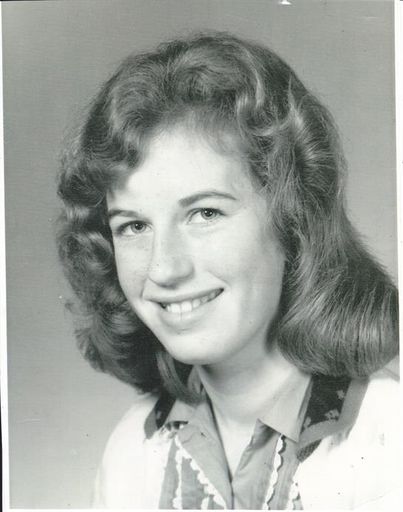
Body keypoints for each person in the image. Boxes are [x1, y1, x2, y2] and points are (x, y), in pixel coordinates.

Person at [57, 32, 399, 509]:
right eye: (134, 226)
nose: (164, 268)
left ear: (292, 219)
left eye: (205, 213)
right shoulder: (132, 451)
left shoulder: (386, 440)